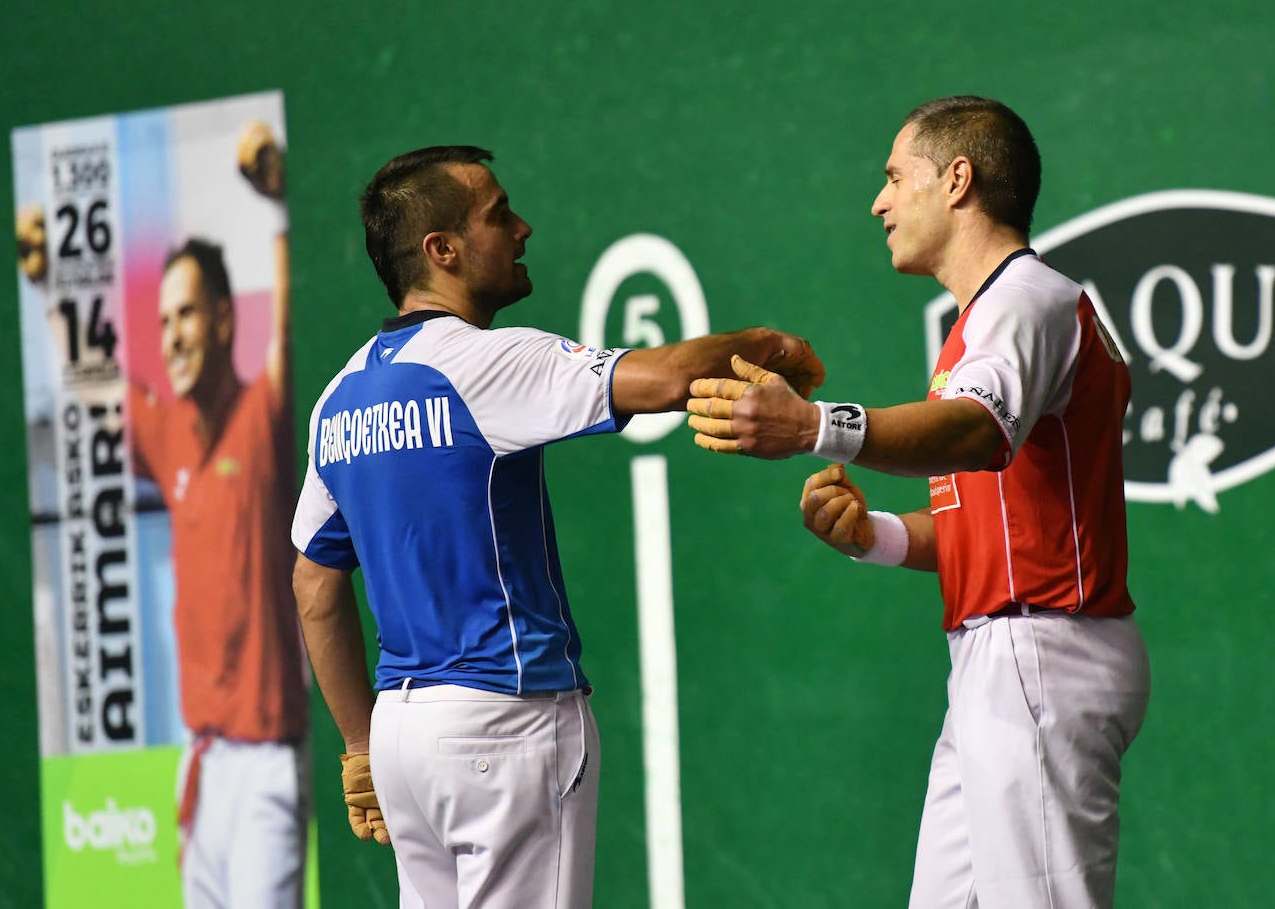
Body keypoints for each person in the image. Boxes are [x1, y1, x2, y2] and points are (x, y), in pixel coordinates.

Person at [289, 145, 824, 908]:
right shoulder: (488, 362)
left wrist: (358, 744)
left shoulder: (338, 400)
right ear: (442, 250)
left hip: (402, 741)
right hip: (504, 728)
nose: (523, 229)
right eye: (498, 215)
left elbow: (314, 587)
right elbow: (671, 377)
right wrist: (772, 346)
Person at [686, 96, 1151, 908]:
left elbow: (976, 432)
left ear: (958, 180)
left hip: (1041, 651)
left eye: (897, 177)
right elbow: (999, 525)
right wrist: (875, 535)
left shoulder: (1024, 300)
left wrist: (814, 427)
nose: (880, 202)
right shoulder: (991, 318)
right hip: (1000, 660)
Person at [128, 122, 309, 909]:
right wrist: (44, 284)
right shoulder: (162, 432)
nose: (172, 338)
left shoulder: (263, 417)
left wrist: (278, 206)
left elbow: (287, 331)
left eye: (189, 316)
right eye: (164, 321)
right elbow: (92, 381)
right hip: (198, 767)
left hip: (268, 769)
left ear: (226, 320)